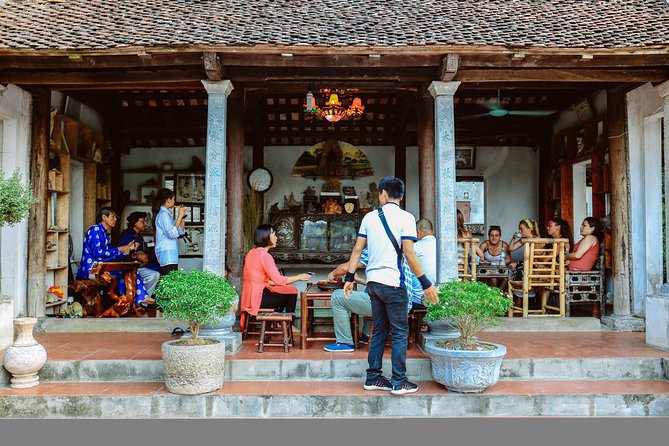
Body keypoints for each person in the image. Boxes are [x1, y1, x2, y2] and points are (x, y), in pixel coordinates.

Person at [343, 176, 438, 396]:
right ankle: (399, 381)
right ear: (401, 196)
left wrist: (349, 279)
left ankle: (373, 377)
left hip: (374, 284)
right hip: (394, 284)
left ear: (383, 193)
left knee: (379, 331)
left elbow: (357, 251)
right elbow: (409, 252)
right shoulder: (406, 218)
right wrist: (426, 283)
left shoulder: (369, 218)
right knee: (399, 332)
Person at [323, 242, 423, 352]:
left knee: (337, 296)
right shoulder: (399, 247)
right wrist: (359, 280)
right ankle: (366, 335)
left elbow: (347, 267)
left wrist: (332, 274)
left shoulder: (377, 245)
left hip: (390, 304)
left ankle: (344, 342)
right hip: (403, 304)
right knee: (369, 289)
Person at [240, 224, 312, 332]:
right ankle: (287, 324)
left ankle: (279, 320)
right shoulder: (265, 256)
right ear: (266, 237)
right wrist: (299, 277)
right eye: (274, 234)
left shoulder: (251, 253)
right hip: (260, 299)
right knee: (292, 291)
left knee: (287, 289)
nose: (276, 237)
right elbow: (278, 280)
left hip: (249, 297)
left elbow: (260, 279)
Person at [76, 206, 151, 307]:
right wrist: (120, 249)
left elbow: (111, 254)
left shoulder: (104, 234)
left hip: (101, 268)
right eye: (113, 216)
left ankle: (131, 300)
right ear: (104, 217)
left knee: (130, 271)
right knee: (125, 272)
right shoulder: (94, 230)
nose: (115, 219)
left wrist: (127, 250)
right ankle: (131, 300)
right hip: (91, 270)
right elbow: (99, 254)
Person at [118, 211, 160, 298]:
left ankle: (145, 300)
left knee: (160, 270)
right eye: (142, 221)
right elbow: (122, 251)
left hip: (139, 265)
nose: (144, 224)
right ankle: (142, 300)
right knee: (156, 274)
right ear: (134, 222)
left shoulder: (138, 236)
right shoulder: (128, 234)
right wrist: (136, 255)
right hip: (128, 267)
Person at [152, 188, 188, 276]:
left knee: (170, 281)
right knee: (168, 282)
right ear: (168, 200)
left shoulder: (167, 214)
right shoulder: (163, 214)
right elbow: (172, 233)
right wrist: (179, 216)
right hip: (167, 253)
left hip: (170, 254)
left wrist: (182, 217)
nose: (174, 201)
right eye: (173, 199)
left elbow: (179, 231)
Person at [475, 225, 511, 290]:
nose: (494, 238)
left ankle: (499, 291)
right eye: (491, 236)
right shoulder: (485, 245)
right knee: (492, 272)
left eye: (496, 236)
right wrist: (484, 261)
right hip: (487, 270)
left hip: (501, 269)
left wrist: (497, 262)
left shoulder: (504, 245)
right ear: (488, 236)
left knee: (509, 272)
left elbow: (509, 260)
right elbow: (477, 259)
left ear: (500, 236)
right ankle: (495, 292)